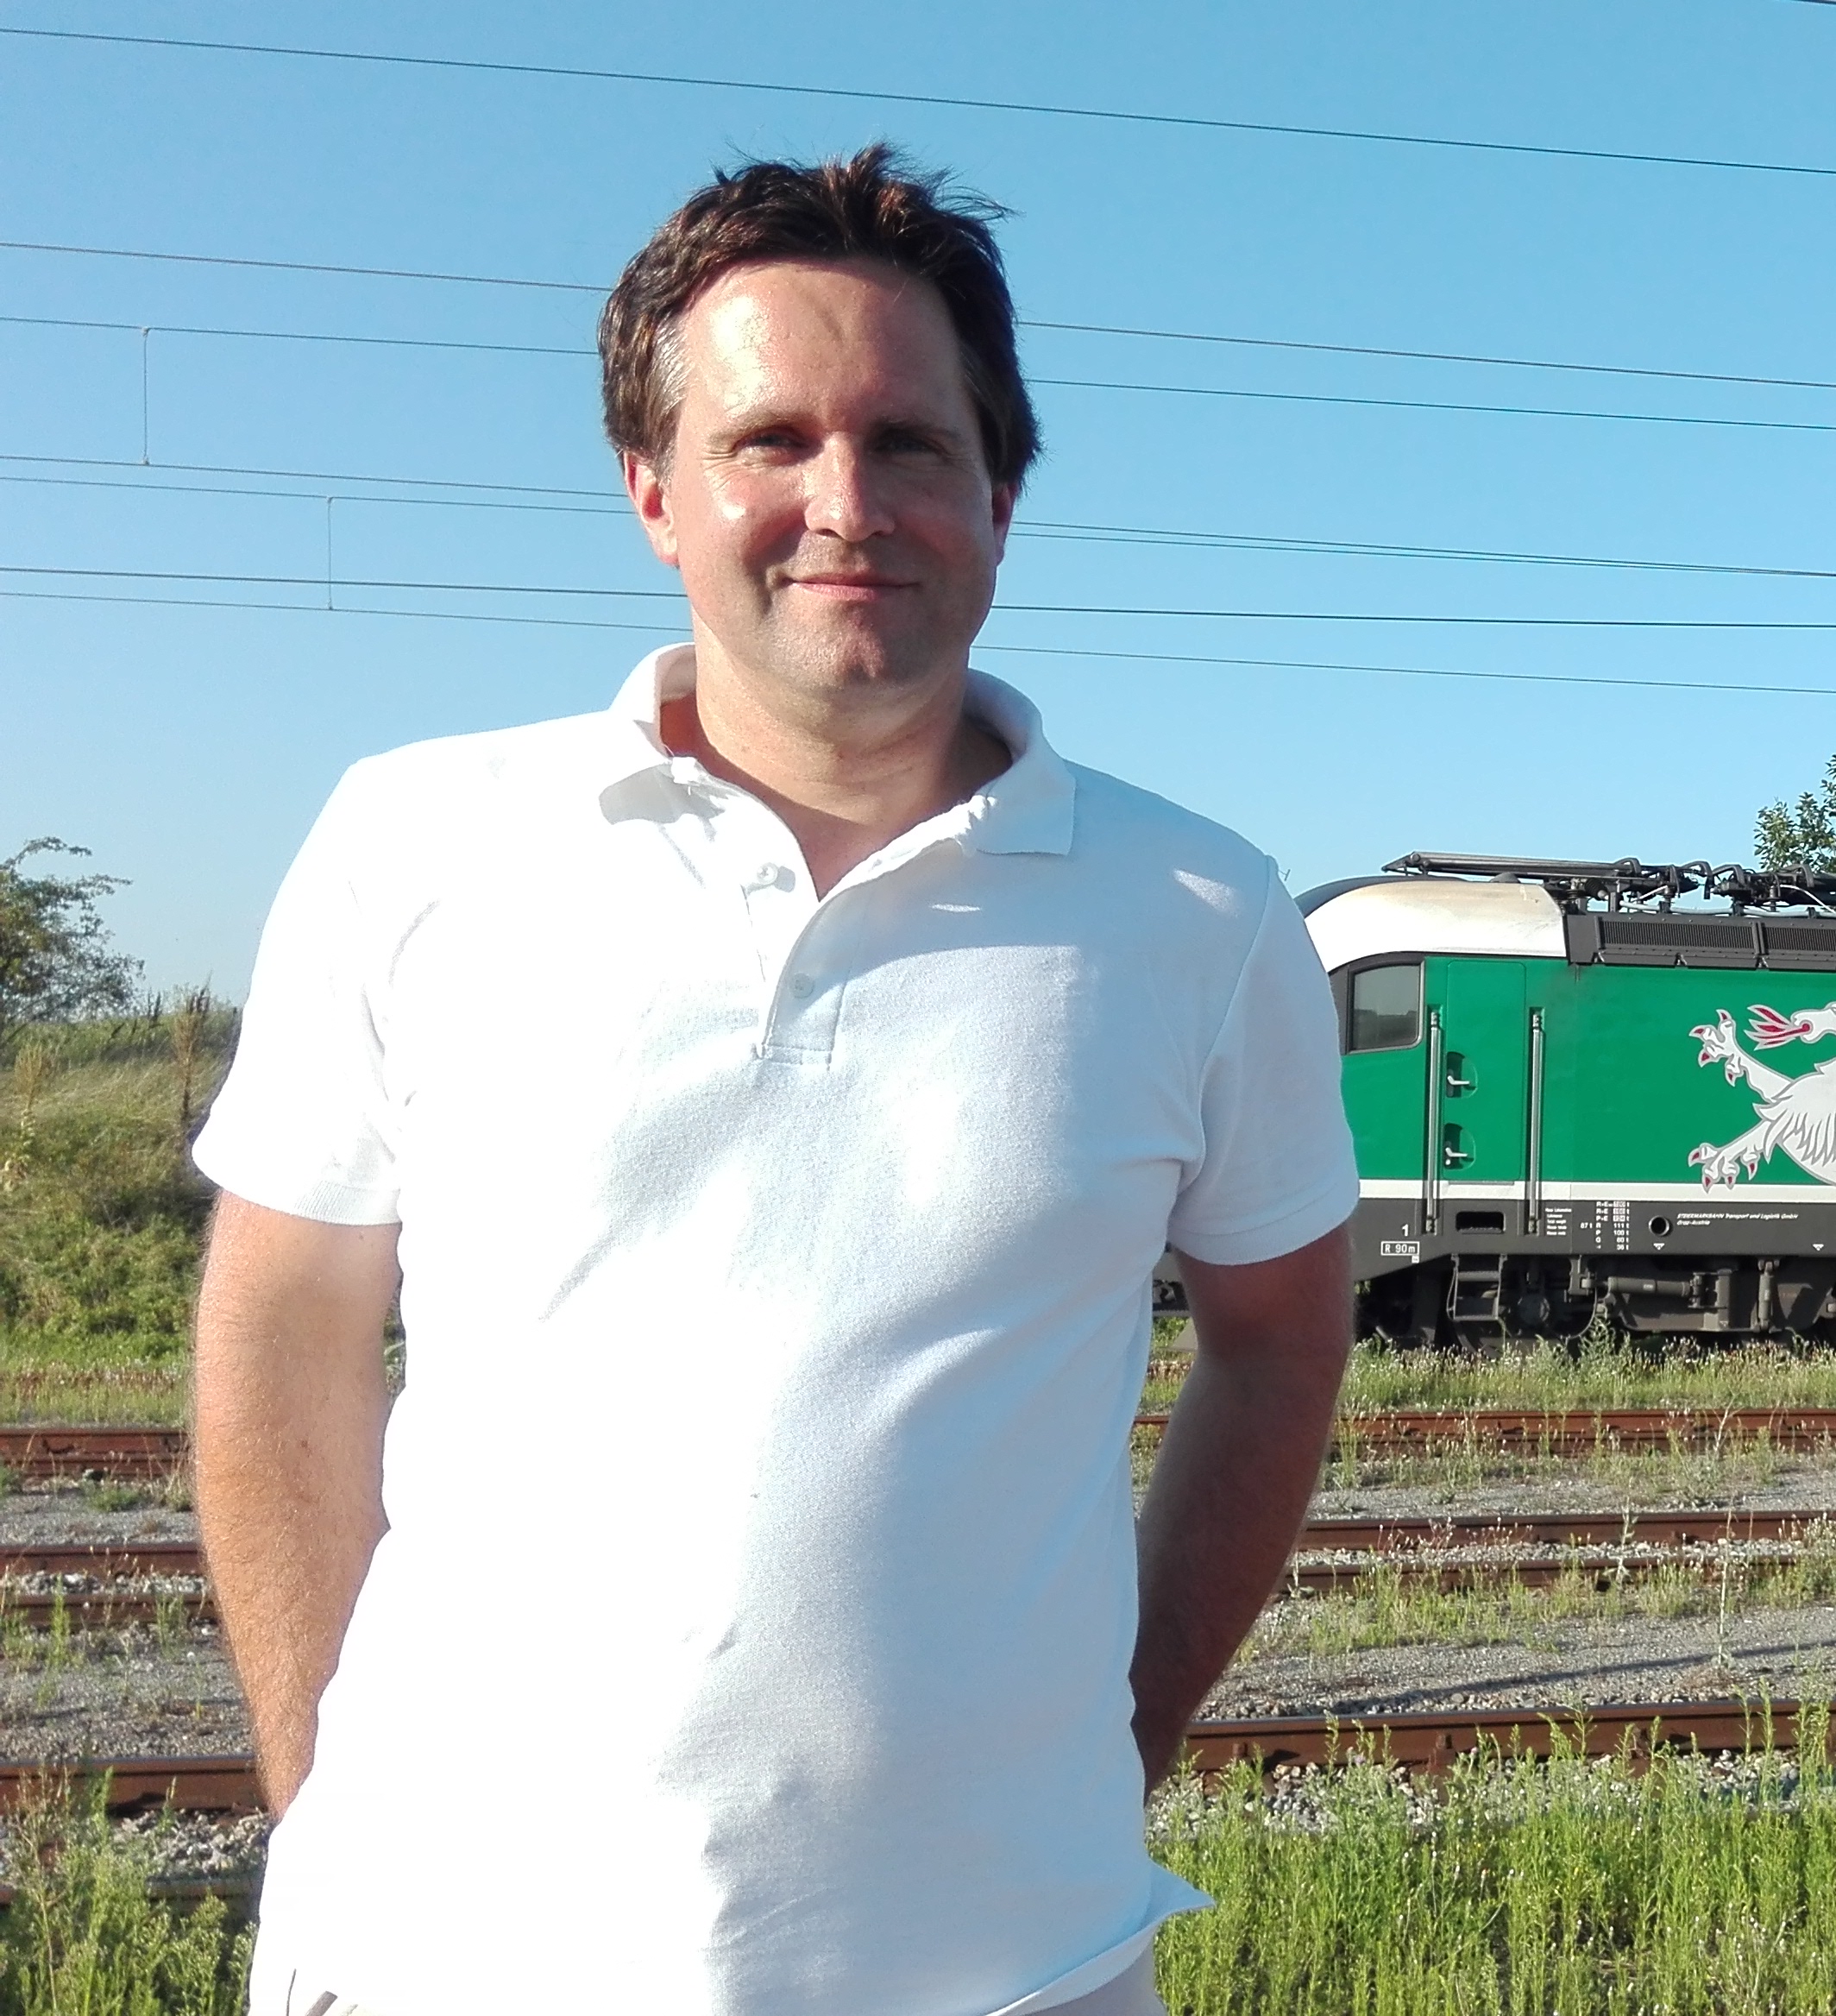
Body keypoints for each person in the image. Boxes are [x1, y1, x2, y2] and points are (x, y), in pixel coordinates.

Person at [188, 147, 1356, 2016]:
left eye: (909, 442)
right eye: (771, 440)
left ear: (1001, 493)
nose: (846, 503)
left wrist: (1099, 1751)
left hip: (1013, 1972)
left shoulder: (1202, 915)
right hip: (439, 1961)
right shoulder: (413, 843)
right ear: (654, 489)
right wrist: (329, 1810)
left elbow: (1282, 1341)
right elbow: (280, 1327)